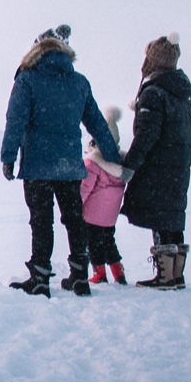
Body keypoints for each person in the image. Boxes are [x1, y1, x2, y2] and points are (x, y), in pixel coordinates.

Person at [1, 25, 122, 297]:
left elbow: (15, 121)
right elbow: (97, 124)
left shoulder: (28, 79)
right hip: (68, 165)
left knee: (42, 221)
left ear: (36, 50)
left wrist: (8, 157)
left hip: (37, 165)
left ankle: (40, 278)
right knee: (74, 219)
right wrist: (112, 157)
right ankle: (79, 276)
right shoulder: (78, 82)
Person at [120, 33, 191, 289]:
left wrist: (130, 164)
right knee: (172, 217)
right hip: (178, 168)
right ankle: (176, 275)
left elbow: (146, 135)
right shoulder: (183, 95)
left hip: (158, 167)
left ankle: (164, 276)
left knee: (161, 218)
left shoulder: (154, 92)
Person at [80, 106, 128, 285]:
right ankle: (118, 272)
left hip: (92, 214)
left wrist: (77, 204)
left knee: (93, 244)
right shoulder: (121, 166)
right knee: (109, 241)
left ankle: (99, 273)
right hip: (110, 216)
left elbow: (85, 187)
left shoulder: (92, 163)